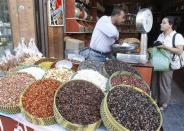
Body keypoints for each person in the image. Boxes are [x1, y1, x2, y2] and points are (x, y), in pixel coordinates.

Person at [153, 16, 184, 111]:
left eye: (164, 23)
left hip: (168, 64)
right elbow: (159, 47)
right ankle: (154, 100)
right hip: (158, 62)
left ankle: (164, 104)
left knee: (164, 84)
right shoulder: (161, 35)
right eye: (161, 22)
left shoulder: (177, 36)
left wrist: (164, 47)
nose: (161, 24)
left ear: (170, 25)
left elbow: (179, 51)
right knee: (155, 82)